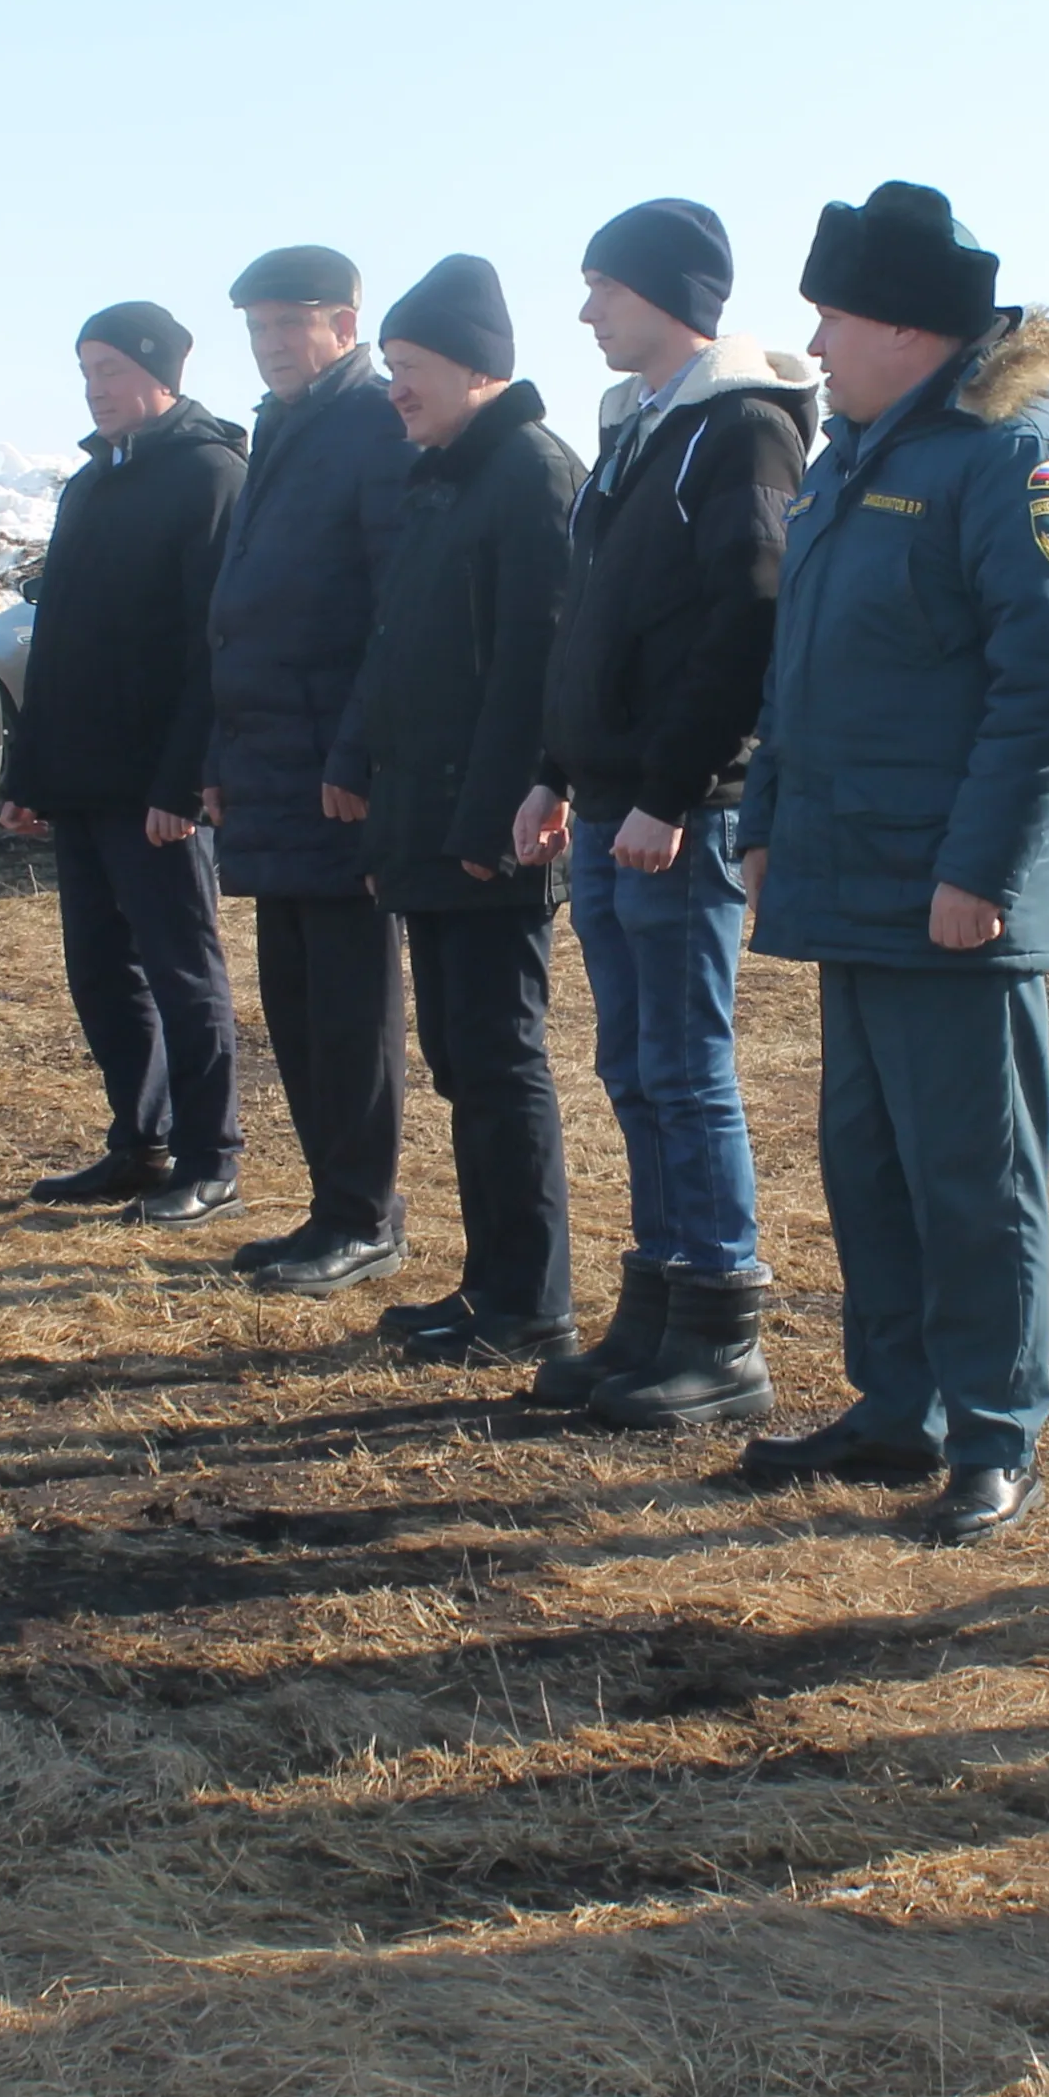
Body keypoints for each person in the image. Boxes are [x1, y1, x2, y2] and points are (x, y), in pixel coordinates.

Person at [733, 183, 1049, 1545]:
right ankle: (900, 1407)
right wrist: (765, 817)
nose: (815, 344)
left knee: (972, 1172)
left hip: (948, 894)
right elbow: (804, 667)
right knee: (868, 1161)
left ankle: (998, 1432)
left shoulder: (1011, 461)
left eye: (830, 316)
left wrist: (985, 872)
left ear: (902, 324)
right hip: (850, 874)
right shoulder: (857, 453)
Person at [508, 198, 811, 1429]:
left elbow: (745, 613)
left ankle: (722, 1327)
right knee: (632, 1062)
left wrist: (674, 789)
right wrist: (553, 766)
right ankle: (656, 1306)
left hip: (674, 817)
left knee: (687, 1068)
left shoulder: (737, 429)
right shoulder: (638, 430)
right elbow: (588, 625)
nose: (584, 312)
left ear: (668, 292)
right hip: (606, 804)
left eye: (602, 288)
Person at [328, 256, 580, 1364]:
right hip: (430, 823)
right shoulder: (444, 476)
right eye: (388, 367)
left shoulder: (528, 476)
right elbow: (402, 655)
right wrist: (363, 769)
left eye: (411, 367)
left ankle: (528, 1301)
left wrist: (487, 827)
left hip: (488, 840)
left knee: (497, 1060)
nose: (395, 388)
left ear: (477, 368)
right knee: (461, 1061)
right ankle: (490, 1286)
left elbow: (538, 668)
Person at [203, 248, 422, 1294]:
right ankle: (330, 1204)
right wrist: (218, 754)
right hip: (269, 761)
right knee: (292, 1004)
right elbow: (241, 608)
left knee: (348, 1003)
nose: (273, 345)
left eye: (291, 324)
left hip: (333, 770)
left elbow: (391, 606)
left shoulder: (372, 424)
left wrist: (358, 752)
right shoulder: (281, 425)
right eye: (257, 328)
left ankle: (368, 1213)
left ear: (345, 322)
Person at [3, 301, 251, 1224]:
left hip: (158, 786)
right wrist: (31, 774)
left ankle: (211, 1154)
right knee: (102, 970)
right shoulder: (89, 484)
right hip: (83, 781)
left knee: (181, 968)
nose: (94, 388)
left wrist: (184, 781)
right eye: (86, 371)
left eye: (109, 370)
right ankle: (139, 1141)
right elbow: (57, 639)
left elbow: (211, 646)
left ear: (161, 372)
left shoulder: (209, 476)